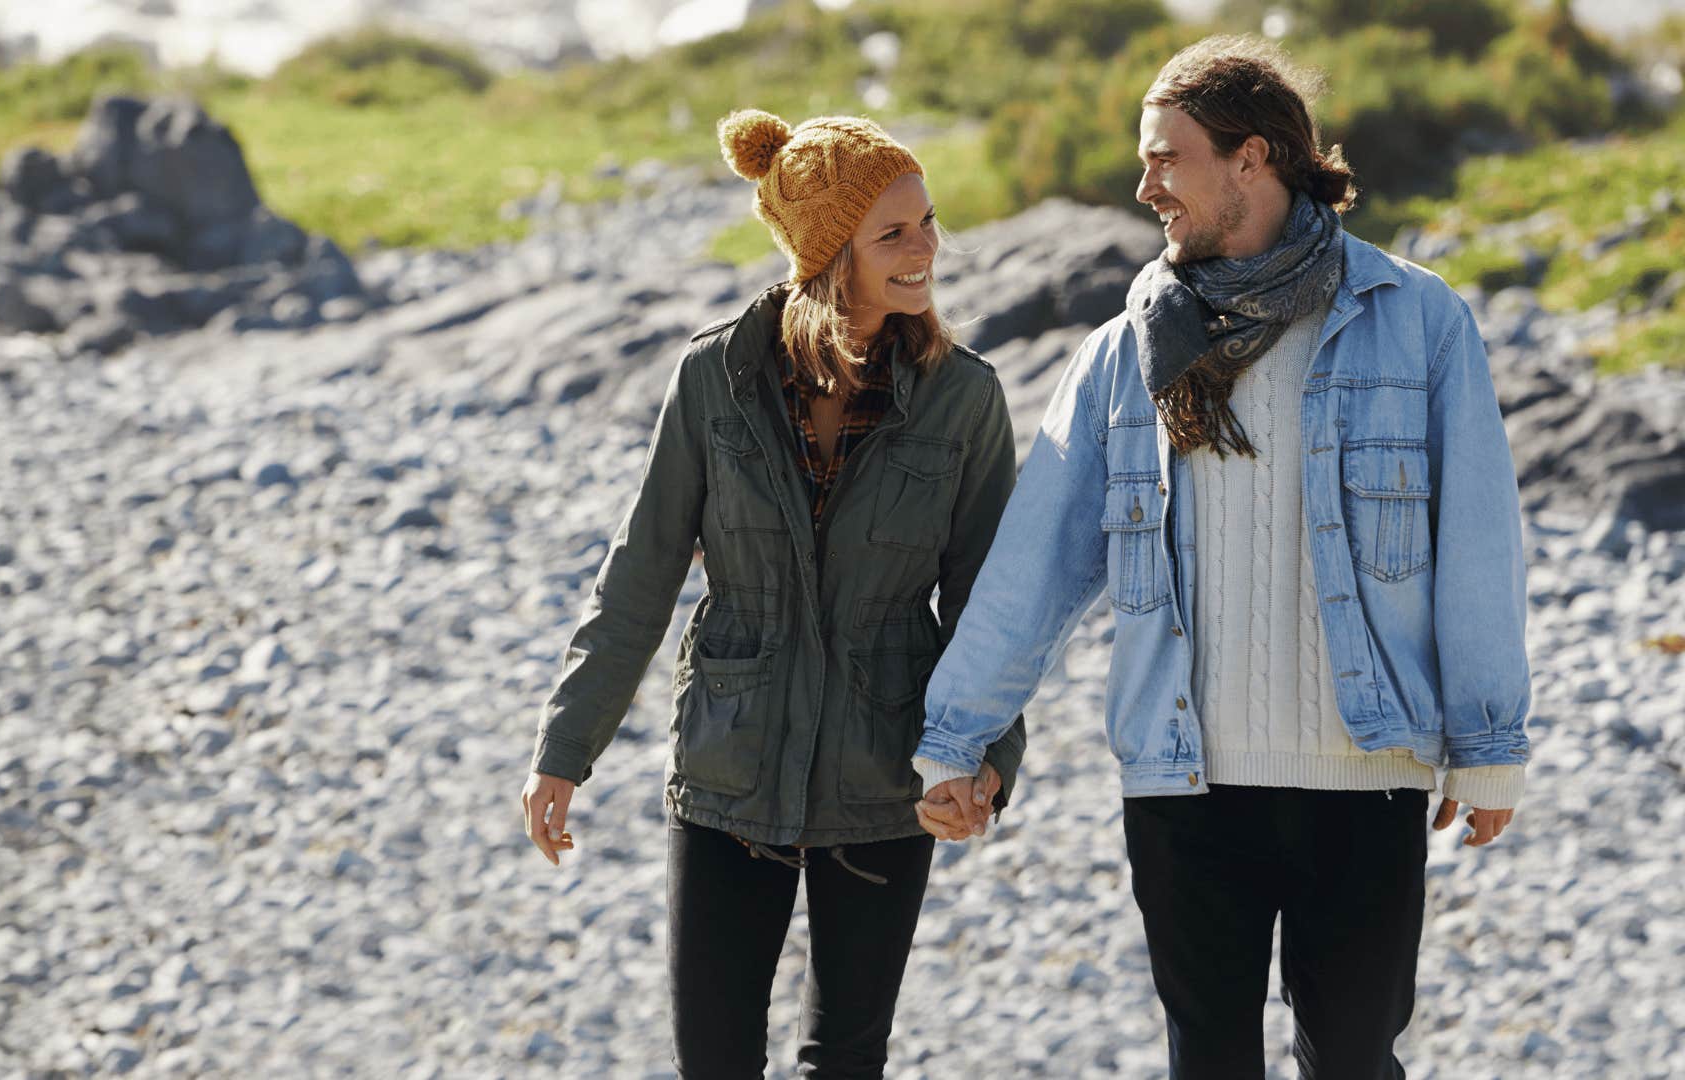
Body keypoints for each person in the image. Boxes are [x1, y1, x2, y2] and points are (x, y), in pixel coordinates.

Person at [911, 36, 1531, 1079]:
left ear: (1252, 159)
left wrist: (1489, 741)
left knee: (1353, 1062)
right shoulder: (1124, 352)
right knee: (1208, 1062)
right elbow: (1040, 562)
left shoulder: (1415, 322)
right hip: (1184, 783)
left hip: (1363, 779)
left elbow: (1476, 543)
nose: (1144, 185)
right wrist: (954, 739)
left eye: (1167, 158)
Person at [519, 108, 1026, 1078]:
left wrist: (989, 759)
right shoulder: (714, 380)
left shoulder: (966, 398)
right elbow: (641, 571)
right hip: (728, 770)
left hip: (884, 778)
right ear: (831, 250)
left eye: (928, 221)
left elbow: (990, 607)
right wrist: (564, 748)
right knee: (713, 1059)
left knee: (845, 1061)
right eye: (894, 232)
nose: (926, 249)